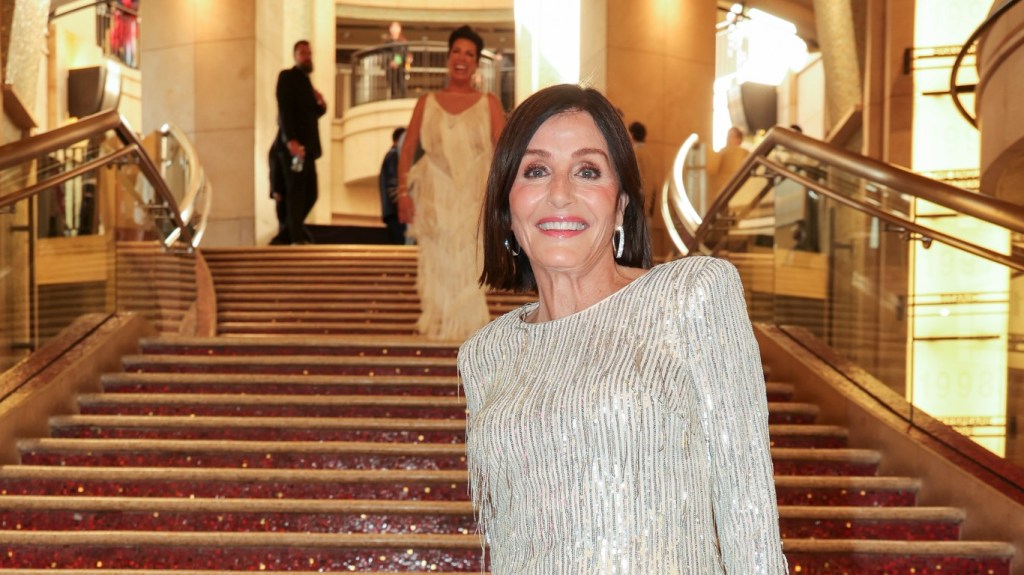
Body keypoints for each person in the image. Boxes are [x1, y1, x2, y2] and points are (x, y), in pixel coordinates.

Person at [459, 84, 788, 573]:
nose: (560, 193)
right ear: (507, 209)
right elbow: (509, 538)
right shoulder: (485, 354)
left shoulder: (691, 294)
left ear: (621, 206)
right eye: (536, 170)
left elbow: (748, 513)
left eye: (587, 171)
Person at [395, 25, 506, 340]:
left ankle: (469, 334)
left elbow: (503, 152)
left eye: (469, 54)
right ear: (448, 57)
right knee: (437, 262)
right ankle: (439, 327)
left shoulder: (489, 103)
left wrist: (504, 199)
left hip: (475, 199)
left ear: (476, 63)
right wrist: (403, 192)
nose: (462, 58)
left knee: (469, 263)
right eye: (457, 51)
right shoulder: (426, 101)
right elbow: (408, 149)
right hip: (434, 198)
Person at [276, 39, 327, 245]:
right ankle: (294, 238)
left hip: (309, 150)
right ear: (295, 56)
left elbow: (313, 114)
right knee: (296, 194)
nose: (307, 57)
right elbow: (285, 110)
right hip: (295, 149)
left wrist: (321, 103)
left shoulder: (307, 83)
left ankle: (286, 235)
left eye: (309, 53)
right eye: (303, 53)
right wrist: (291, 141)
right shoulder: (288, 77)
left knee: (311, 193)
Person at [378, 127, 407, 245]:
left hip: (392, 213)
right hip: (397, 213)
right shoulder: (394, 156)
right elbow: (394, 184)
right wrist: (403, 204)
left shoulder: (390, 156)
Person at [628, 120, 658, 223]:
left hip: (635, 209)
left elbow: (632, 183)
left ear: (631, 135)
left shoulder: (635, 154)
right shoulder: (650, 156)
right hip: (648, 208)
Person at [268, 137, 291, 245]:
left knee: (287, 222)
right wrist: (276, 190)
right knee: (284, 220)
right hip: (282, 192)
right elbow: (274, 171)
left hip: (287, 191)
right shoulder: (278, 148)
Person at [385, 21, 409, 99]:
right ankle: (393, 98)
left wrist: (397, 61)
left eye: (396, 27)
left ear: (400, 29)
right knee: (392, 85)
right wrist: (390, 61)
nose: (394, 29)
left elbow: (404, 53)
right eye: (393, 27)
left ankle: (403, 98)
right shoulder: (387, 42)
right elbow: (385, 53)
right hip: (390, 67)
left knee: (401, 83)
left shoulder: (403, 41)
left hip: (400, 67)